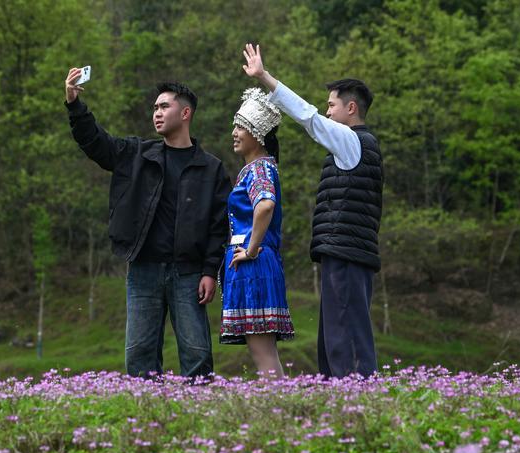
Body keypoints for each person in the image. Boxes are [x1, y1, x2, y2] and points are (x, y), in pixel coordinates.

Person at [64, 68, 230, 379]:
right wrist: (75, 105)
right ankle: (145, 409)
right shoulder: (136, 154)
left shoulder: (212, 169)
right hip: (143, 269)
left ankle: (200, 407)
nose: (157, 113)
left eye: (164, 106)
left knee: (197, 353)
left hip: (189, 273)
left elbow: (219, 227)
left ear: (185, 113)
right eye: (155, 108)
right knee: (139, 355)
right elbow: (96, 143)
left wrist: (210, 271)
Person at [242, 44, 383, 378]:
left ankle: (356, 396)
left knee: (346, 335)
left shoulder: (352, 142)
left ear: (351, 108)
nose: (327, 112)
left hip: (347, 252)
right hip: (344, 251)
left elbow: (308, 117)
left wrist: (265, 77)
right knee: (335, 334)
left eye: (332, 105)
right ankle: (339, 395)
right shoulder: (351, 147)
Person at [220, 88, 294, 377]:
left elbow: (265, 205)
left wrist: (251, 249)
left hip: (254, 263)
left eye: (241, 127)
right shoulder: (257, 168)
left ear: (258, 134)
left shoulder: (259, 169)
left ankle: (277, 403)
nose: (234, 133)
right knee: (262, 350)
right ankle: (277, 400)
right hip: (255, 262)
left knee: (262, 351)